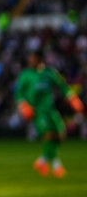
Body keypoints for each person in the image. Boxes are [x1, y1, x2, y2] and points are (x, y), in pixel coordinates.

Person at [15, 50, 84, 178]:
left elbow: (62, 86)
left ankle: (42, 161)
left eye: (33, 58)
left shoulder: (49, 73)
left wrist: (72, 99)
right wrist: (23, 105)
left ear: (39, 59)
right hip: (38, 112)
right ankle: (56, 165)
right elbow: (19, 92)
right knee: (49, 135)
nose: (30, 60)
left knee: (60, 135)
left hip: (50, 109)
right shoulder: (26, 74)